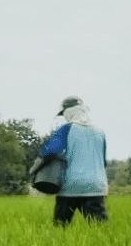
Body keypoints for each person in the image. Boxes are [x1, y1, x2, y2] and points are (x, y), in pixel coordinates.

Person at [31, 95, 109, 225]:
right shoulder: (99, 132)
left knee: (61, 228)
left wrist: (33, 171)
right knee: (100, 228)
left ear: (69, 112)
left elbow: (48, 152)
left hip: (69, 186)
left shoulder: (66, 129)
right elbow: (103, 161)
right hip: (96, 186)